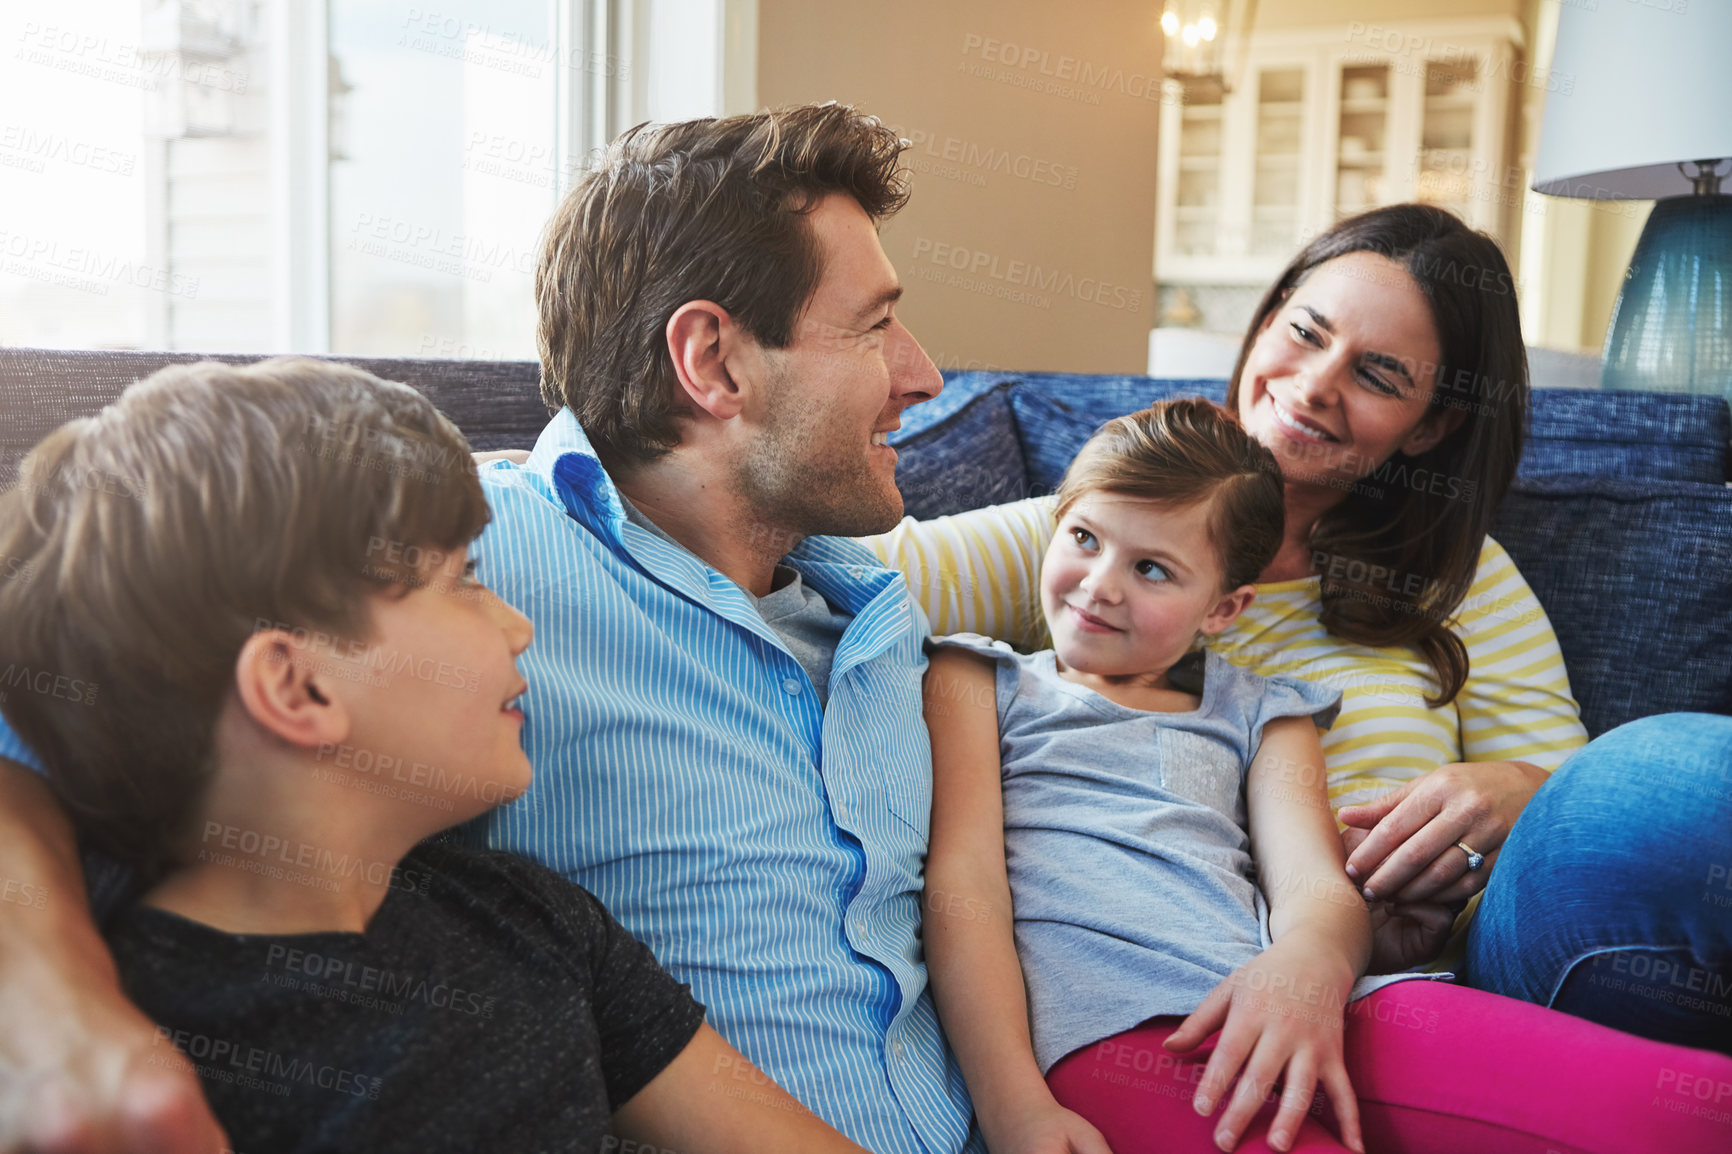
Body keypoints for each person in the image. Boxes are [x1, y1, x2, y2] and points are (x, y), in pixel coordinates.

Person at [0, 103, 980, 1154]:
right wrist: (55, 1015)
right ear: (712, 359)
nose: (925, 377)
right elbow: (66, 665)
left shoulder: (881, 602)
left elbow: (1128, 545)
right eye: (875, 325)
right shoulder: (452, 535)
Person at [872, 204, 1732, 1049]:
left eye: (1380, 375)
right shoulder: (1098, 536)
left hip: (1456, 966)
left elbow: (1590, 805)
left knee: (1682, 779)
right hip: (1189, 973)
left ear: (1431, 426)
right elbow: (834, 573)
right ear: (1266, 321)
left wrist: (1522, 788)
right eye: (1308, 332)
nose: (1315, 385)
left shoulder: (1458, 576)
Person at [0, 357, 878, 1154]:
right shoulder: (135, 1058)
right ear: (298, 687)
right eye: (461, 580)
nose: (518, 625)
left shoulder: (536, 923)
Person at [920, 399, 1732, 1154]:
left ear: (1224, 609)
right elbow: (966, 892)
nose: (1100, 585)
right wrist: (1012, 1104)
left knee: (1685, 1108)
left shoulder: (1269, 712)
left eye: (1154, 570)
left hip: (1329, 1006)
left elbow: (1314, 883)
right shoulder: (976, 681)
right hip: (1134, 1032)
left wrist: (1307, 965)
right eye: (1086, 539)